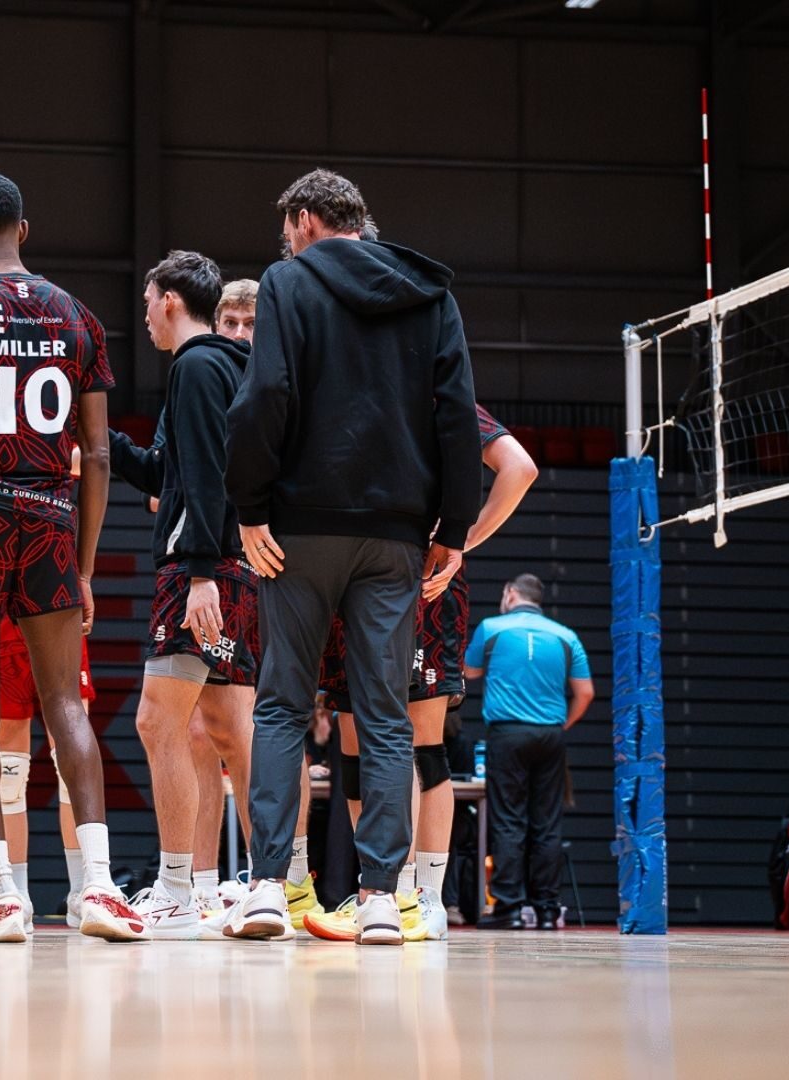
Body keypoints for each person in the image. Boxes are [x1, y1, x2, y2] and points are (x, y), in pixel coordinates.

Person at [225, 169, 481, 945]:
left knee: (280, 704)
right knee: (384, 713)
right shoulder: (430, 293)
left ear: (305, 219)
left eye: (287, 231)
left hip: (298, 528)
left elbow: (264, 394)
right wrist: (455, 528)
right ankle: (380, 898)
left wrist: (250, 507)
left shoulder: (287, 284)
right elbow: (458, 416)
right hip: (397, 532)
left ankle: (270, 886)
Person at [0, 172, 145, 942]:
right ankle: (99, 888)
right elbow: (96, 453)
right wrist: (84, 565)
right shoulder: (77, 316)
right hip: (50, 514)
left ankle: (2, 895)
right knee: (65, 704)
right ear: (25, 229)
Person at [308, 403, 538, 941]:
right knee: (375, 738)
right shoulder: (397, 388)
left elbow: (520, 467)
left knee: (403, 740)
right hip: (376, 578)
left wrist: (462, 539)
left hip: (411, 578)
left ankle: (408, 896)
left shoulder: (437, 397)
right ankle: (392, 894)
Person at [108, 253, 259, 939]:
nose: (143, 315)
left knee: (155, 722)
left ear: (170, 300)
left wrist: (199, 570)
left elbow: (205, 474)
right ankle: (278, 882)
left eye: (146, 301)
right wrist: (99, 442)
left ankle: (173, 889)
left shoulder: (196, 366)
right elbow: (167, 471)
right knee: (231, 730)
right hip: (230, 565)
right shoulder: (224, 368)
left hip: (202, 570)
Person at [463, 574, 593, 930]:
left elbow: (469, 672)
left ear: (510, 594)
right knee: (547, 823)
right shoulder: (567, 636)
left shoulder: (492, 628)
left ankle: (508, 908)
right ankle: (548, 910)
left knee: (508, 820)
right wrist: (562, 725)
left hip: (507, 733)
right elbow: (586, 693)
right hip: (550, 735)